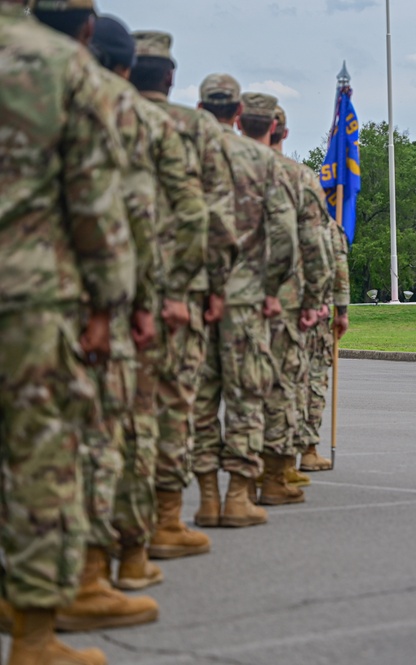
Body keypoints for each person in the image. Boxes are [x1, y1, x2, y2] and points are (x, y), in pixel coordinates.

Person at [1, 0, 136, 660]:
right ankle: (33, 637)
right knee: (38, 458)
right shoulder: (62, 67)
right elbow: (93, 198)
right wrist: (108, 303)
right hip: (27, 294)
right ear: (85, 28)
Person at [31, 7, 164, 632]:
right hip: (46, 293)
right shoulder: (83, 81)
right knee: (68, 442)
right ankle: (75, 588)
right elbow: (111, 201)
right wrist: (121, 301)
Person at [129, 30, 239, 548]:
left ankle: (113, 537)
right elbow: (215, 210)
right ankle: (166, 520)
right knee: (174, 400)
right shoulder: (195, 129)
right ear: (170, 77)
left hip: (102, 283)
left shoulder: (97, 107)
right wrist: (216, 283)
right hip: (176, 287)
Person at [191, 75, 295, 528]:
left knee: (198, 398)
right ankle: (237, 497)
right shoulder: (259, 159)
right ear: (237, 114)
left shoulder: (184, 152)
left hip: (192, 296)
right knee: (246, 396)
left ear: (200, 105)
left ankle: (207, 498)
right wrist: (271, 288)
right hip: (244, 298)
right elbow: (285, 234)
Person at [248, 93, 328, 505]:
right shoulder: (296, 176)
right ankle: (277, 475)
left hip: (225, 298)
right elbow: (315, 243)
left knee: (239, 389)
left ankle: (230, 488)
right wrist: (318, 297)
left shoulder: (221, 166)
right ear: (283, 131)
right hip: (284, 298)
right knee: (281, 384)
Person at [270, 105, 351, 474]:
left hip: (266, 307)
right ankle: (303, 450)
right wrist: (339, 308)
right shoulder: (317, 219)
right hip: (306, 309)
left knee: (275, 381)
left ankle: (275, 457)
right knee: (311, 379)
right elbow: (332, 262)